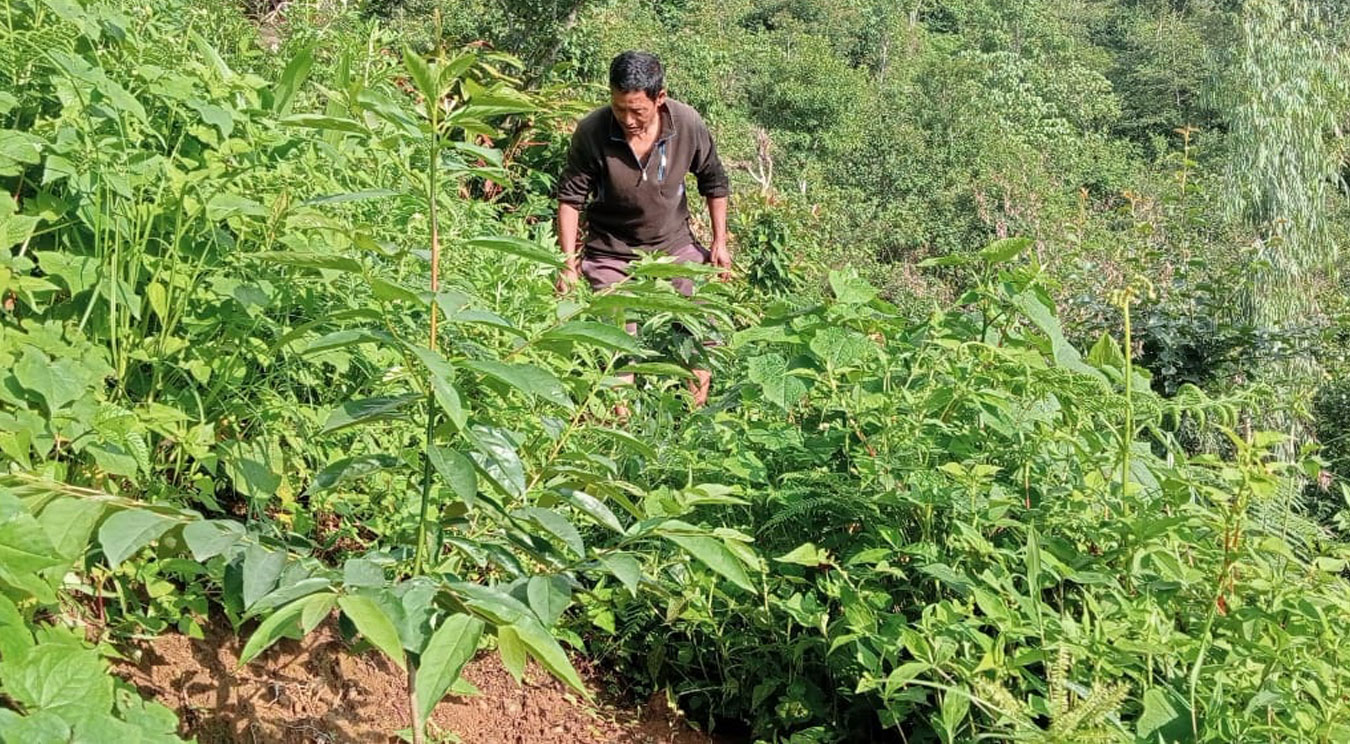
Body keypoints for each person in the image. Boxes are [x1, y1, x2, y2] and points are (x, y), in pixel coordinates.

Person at [555, 50, 731, 409]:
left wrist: (719, 241)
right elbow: (570, 199)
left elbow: (714, 181)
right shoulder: (593, 130)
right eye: (620, 109)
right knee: (617, 344)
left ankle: (693, 420)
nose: (628, 119)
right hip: (610, 252)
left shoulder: (687, 123)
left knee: (702, 325)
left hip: (674, 243)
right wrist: (567, 262)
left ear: (660, 98)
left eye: (638, 110)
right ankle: (621, 433)